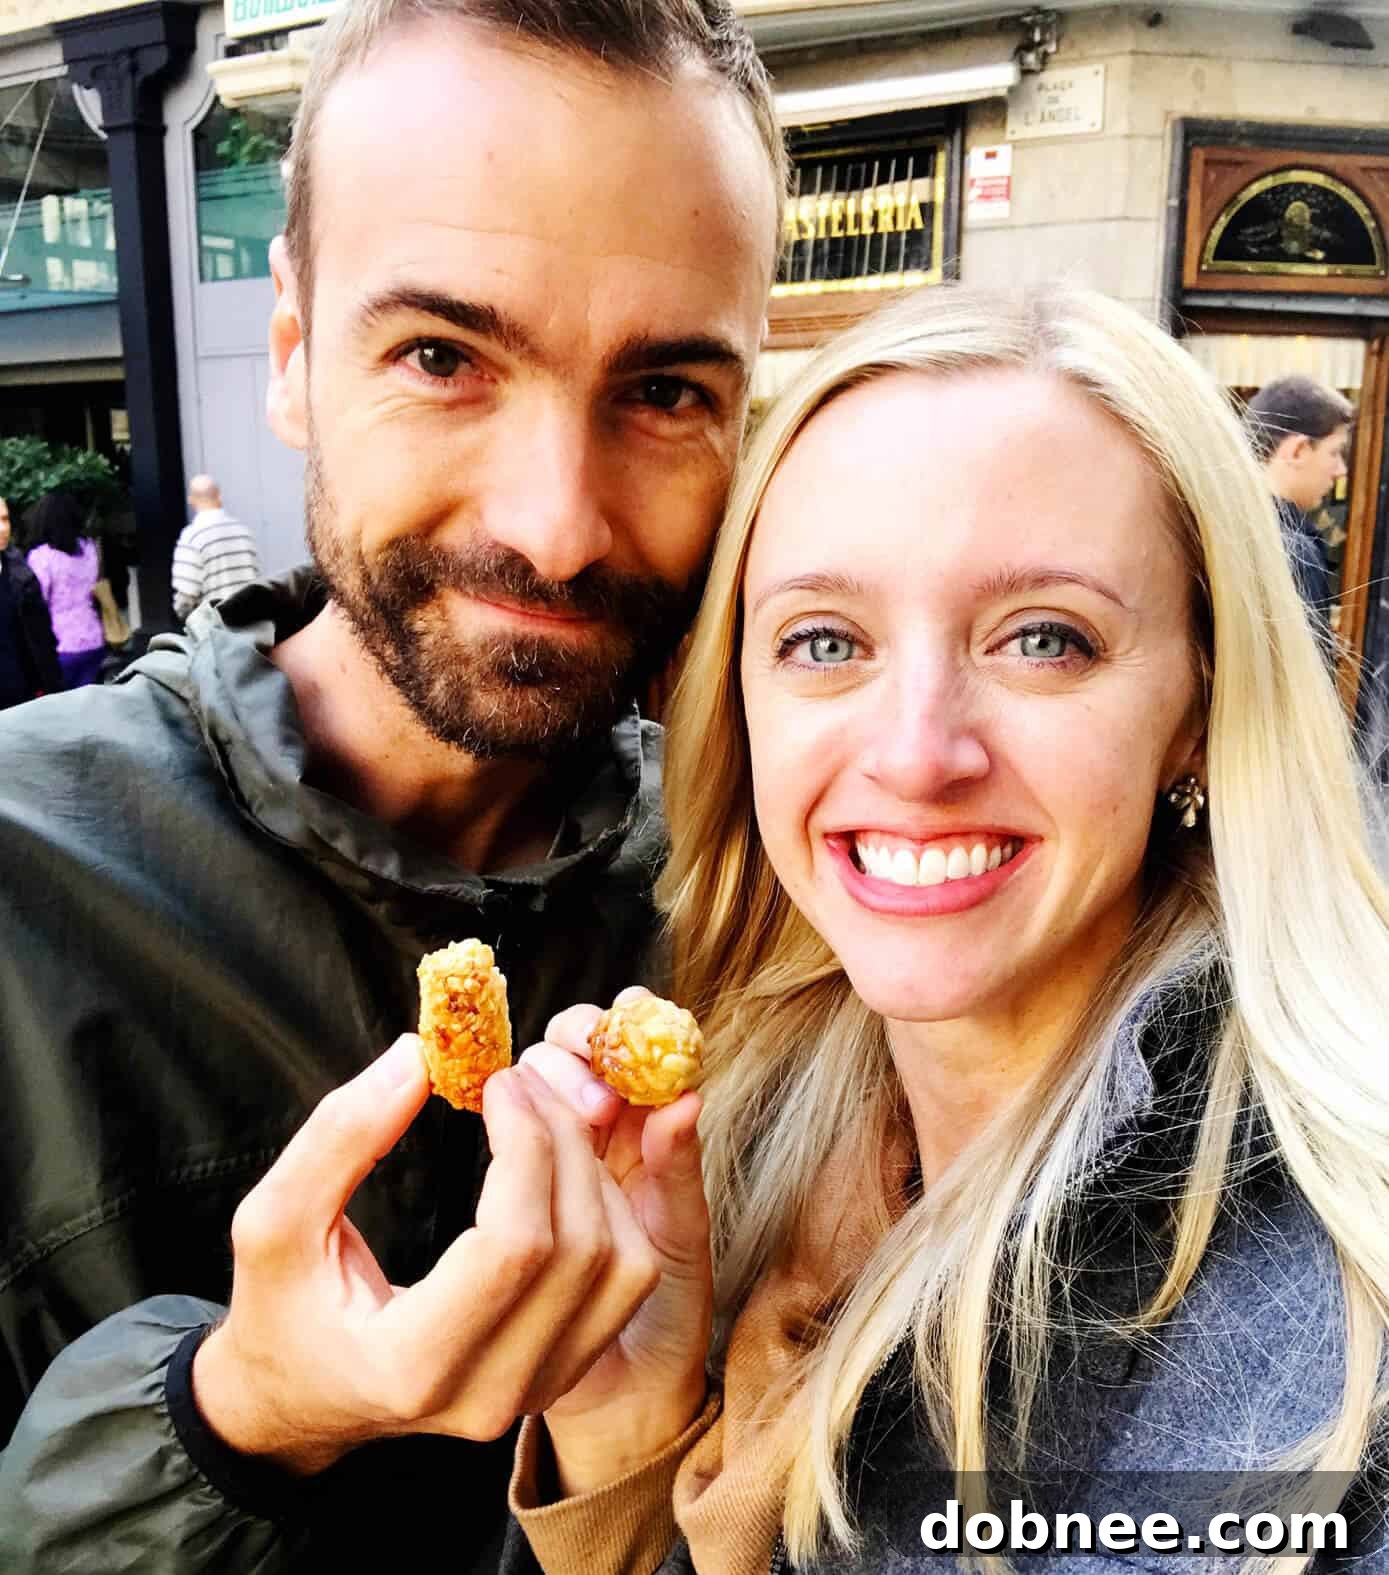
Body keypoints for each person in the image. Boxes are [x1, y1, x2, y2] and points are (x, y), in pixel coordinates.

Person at [0, 0, 782, 1567]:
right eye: (443, 354)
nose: (557, 525)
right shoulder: (23, 878)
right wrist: (233, 1414)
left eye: (666, 392)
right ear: (293, 356)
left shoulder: (786, 908)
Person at [494, 287, 1389, 1574]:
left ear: (1199, 701)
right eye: (822, 639)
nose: (917, 753)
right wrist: (623, 1441)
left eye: (1043, 639)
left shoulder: (1343, 1339)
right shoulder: (735, 1149)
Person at [1245, 374, 1353, 651]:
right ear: (1298, 450)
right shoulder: (1294, 553)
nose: (1340, 470)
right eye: (1334, 453)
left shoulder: (1219, 528)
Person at [23, 490, 106, 689]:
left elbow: (36, 604)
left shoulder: (41, 557)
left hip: (60, 645)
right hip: (94, 639)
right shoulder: (89, 549)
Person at [171, 475, 261, 623]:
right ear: (219, 496)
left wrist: (187, 619)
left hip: (214, 629)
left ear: (191, 500)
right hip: (249, 623)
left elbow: (186, 596)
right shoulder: (243, 532)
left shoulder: (191, 537)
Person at [0, 495, 62, 709]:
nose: (2, 529)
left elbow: (41, 638)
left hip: (22, 697)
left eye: (5, 519)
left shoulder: (21, 574)